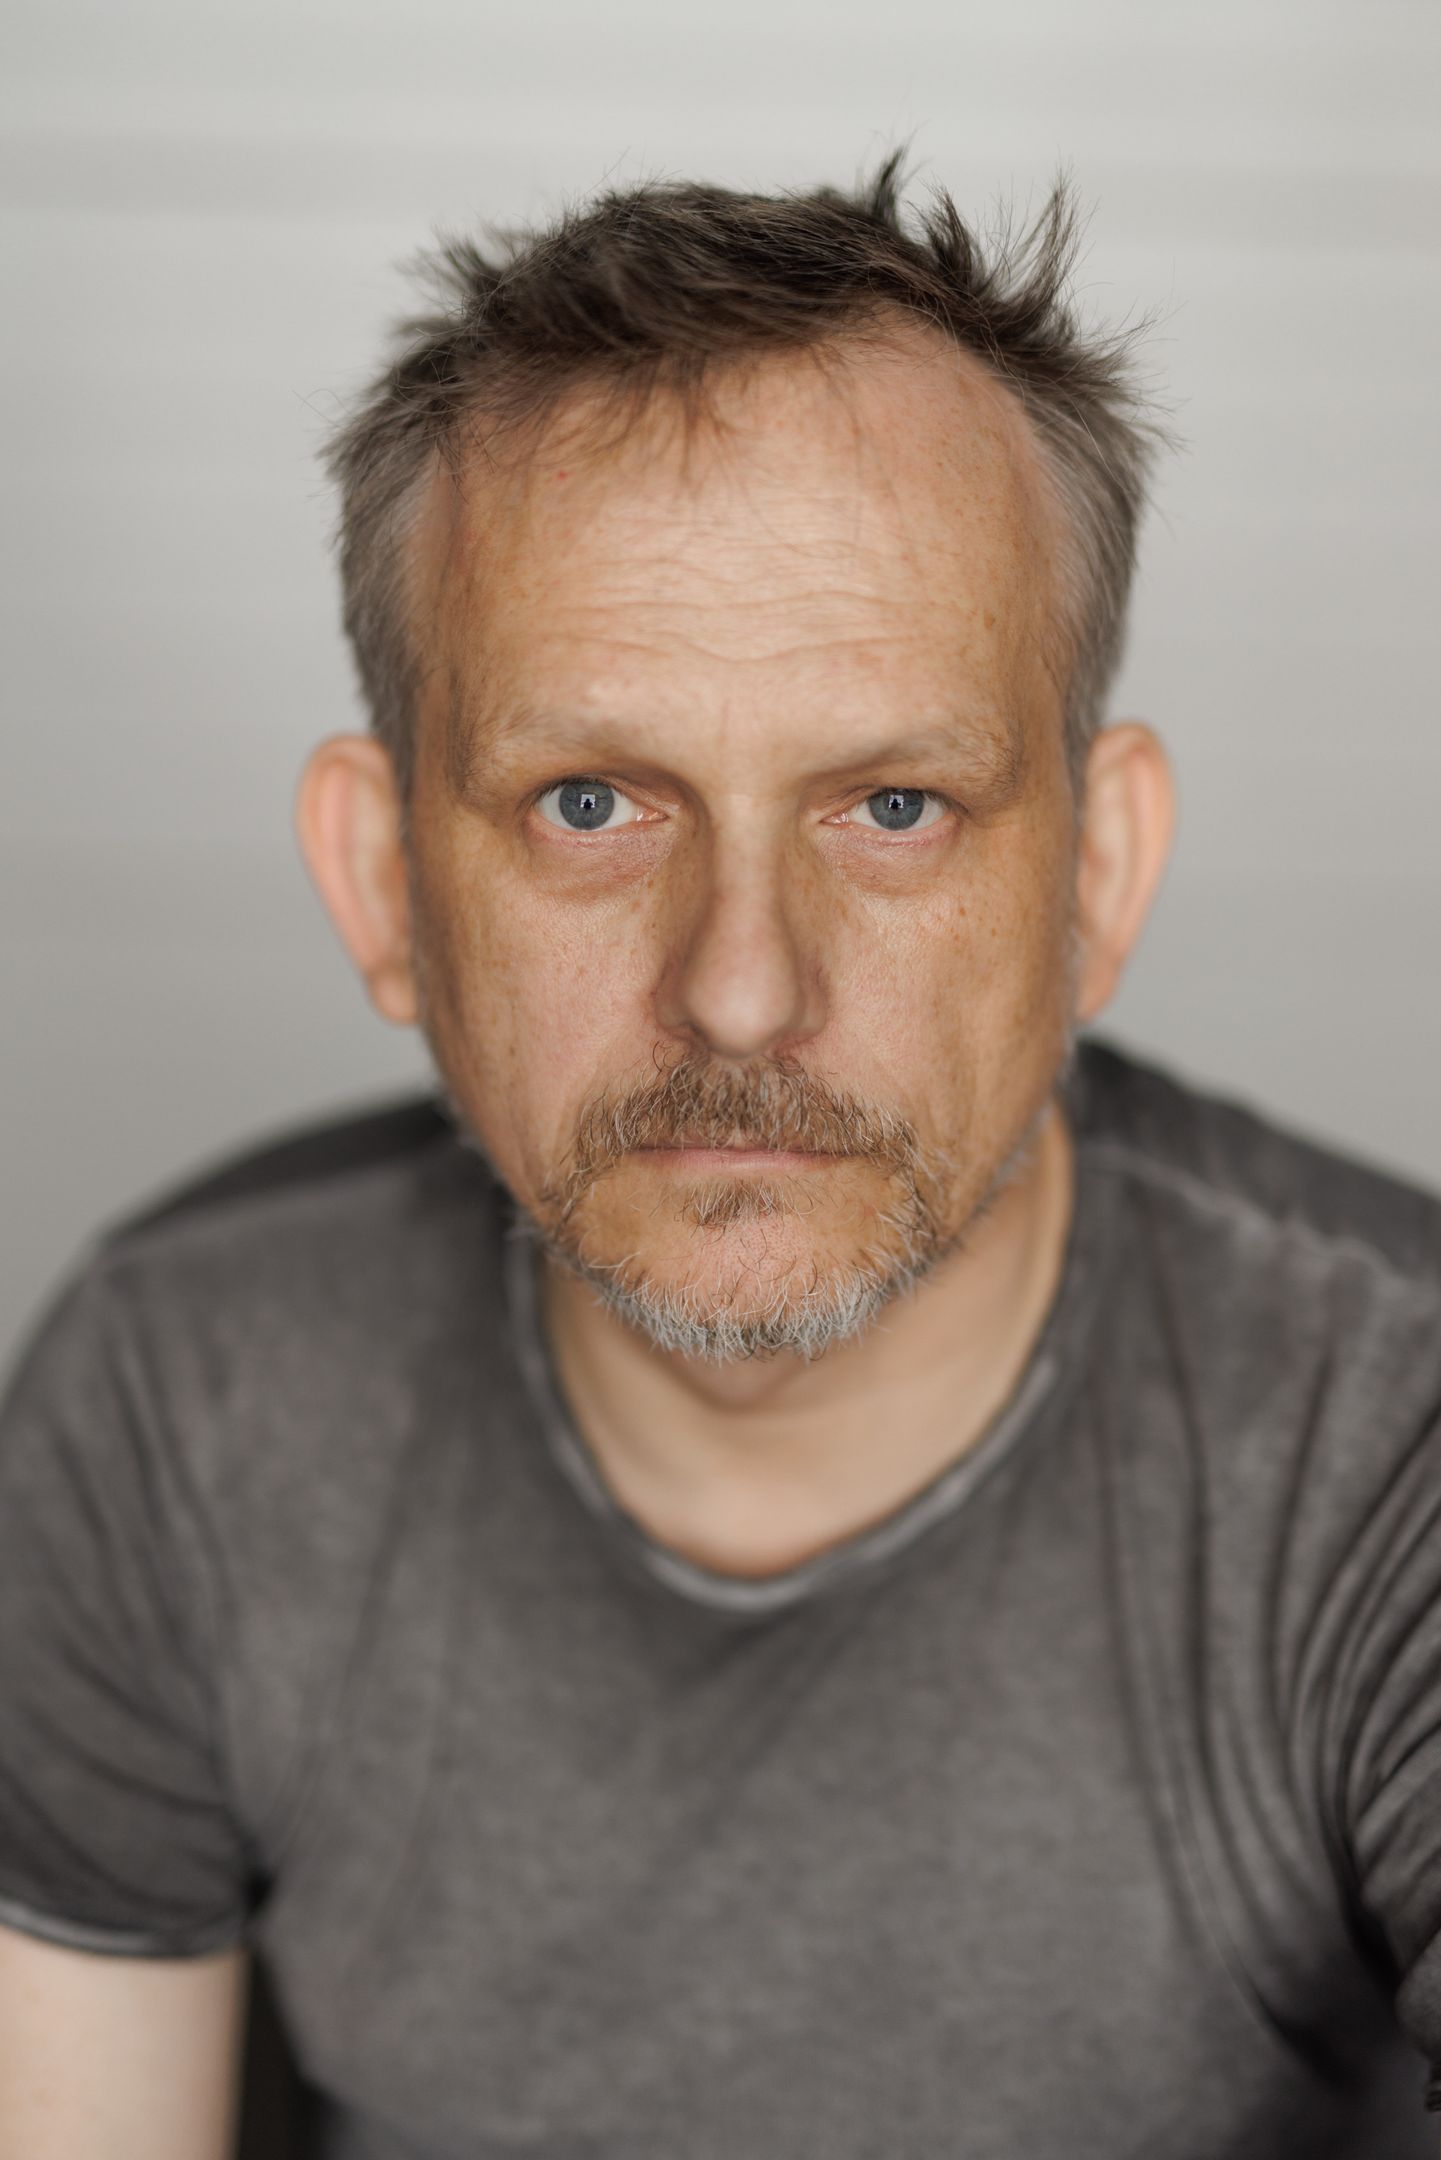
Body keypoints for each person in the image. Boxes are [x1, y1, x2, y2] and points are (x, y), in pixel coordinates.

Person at [1, 154, 1438, 2160]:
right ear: (385, 883)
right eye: (590, 803)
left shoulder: (1394, 1449)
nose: (744, 992)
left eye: (895, 807)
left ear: (1097, 879)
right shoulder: (179, 1398)